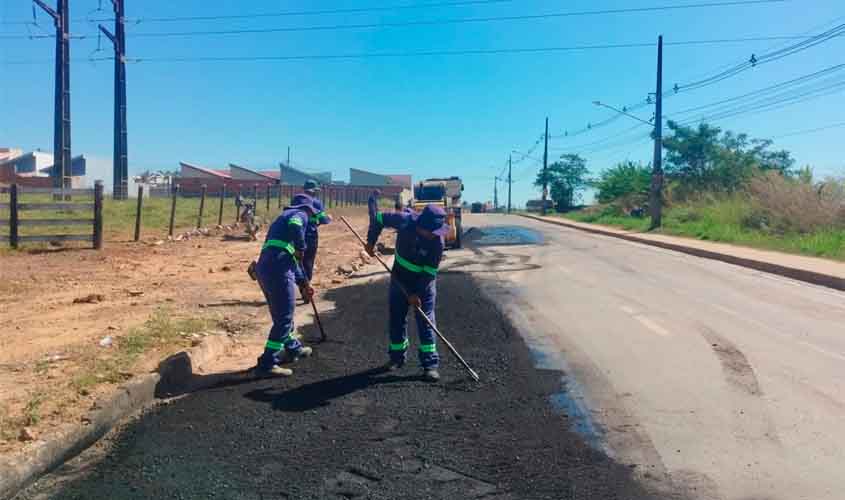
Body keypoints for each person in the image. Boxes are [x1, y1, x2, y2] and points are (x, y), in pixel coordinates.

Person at [365, 199, 450, 382]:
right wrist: (371, 242)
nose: (436, 235)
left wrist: (416, 293)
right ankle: (396, 358)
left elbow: (429, 273)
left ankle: (430, 365)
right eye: (433, 232)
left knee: (425, 320)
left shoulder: (438, 243)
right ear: (422, 226)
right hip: (399, 279)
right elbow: (378, 217)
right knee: (396, 318)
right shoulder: (404, 220)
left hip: (423, 283)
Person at [253, 193, 318, 377]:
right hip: (278, 268)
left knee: (283, 314)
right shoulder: (299, 214)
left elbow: (293, 261)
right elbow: (297, 226)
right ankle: (267, 363)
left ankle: (292, 348)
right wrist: (301, 246)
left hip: (269, 266)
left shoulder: (281, 224)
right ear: (308, 209)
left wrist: (303, 283)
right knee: (284, 316)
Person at [297, 180, 332, 303]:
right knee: (308, 262)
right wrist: (328, 218)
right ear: (315, 191)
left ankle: (301, 285)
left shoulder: (296, 200)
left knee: (298, 262)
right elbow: (322, 219)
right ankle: (306, 288)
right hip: (310, 236)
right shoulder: (316, 202)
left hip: (296, 234)